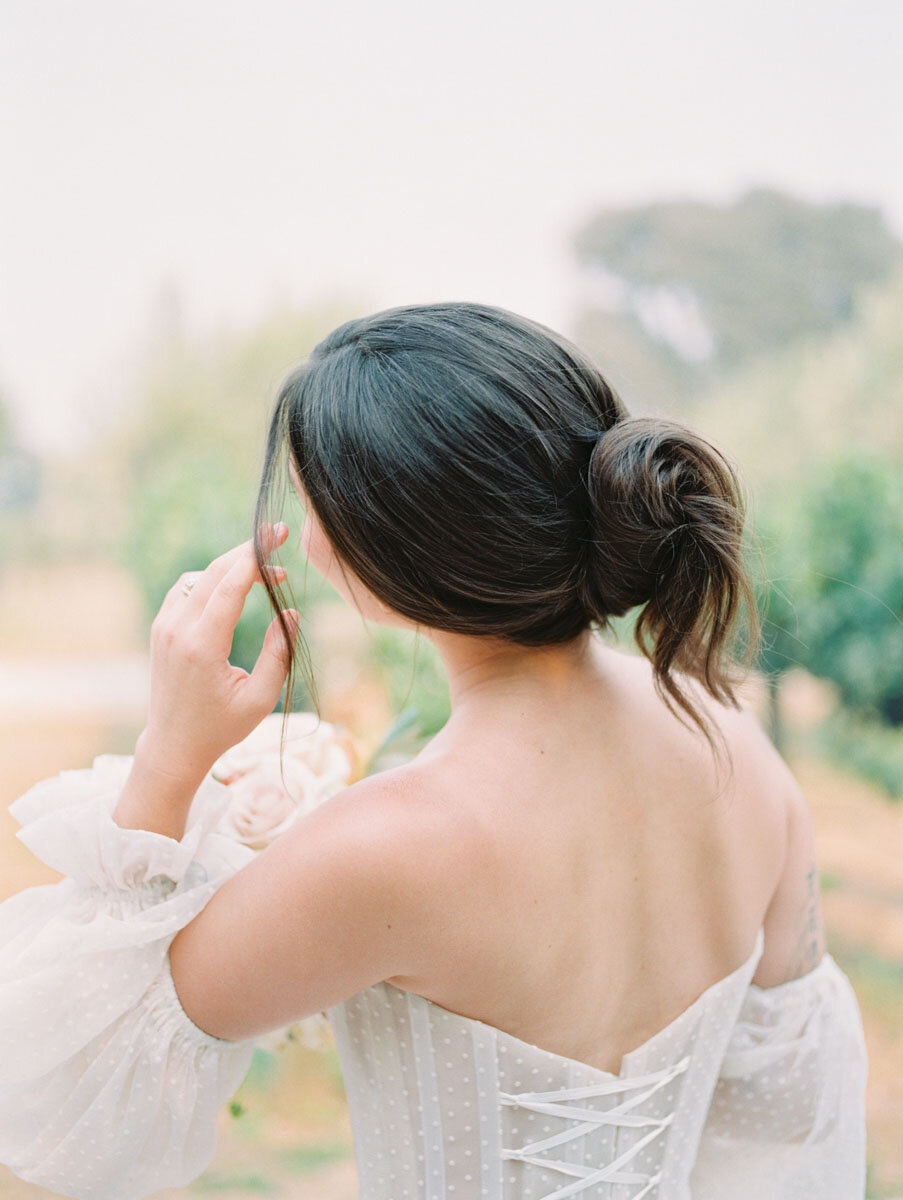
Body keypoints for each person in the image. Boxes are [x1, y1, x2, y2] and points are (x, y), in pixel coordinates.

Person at [0, 301, 868, 1199]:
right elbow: (788, 1131)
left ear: (367, 547)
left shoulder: (385, 847)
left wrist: (169, 760)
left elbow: (71, 1087)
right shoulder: (742, 754)